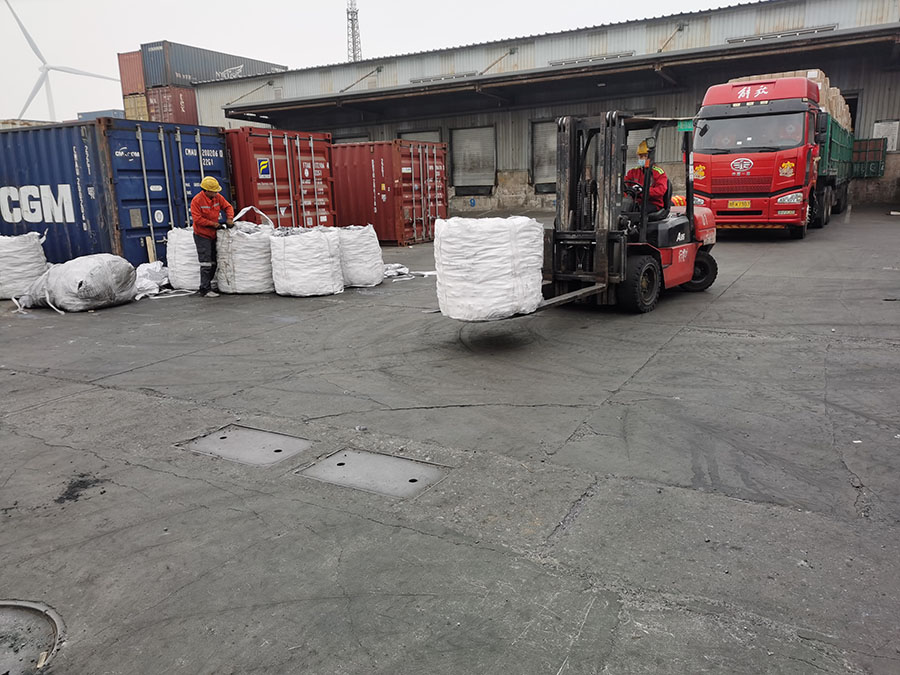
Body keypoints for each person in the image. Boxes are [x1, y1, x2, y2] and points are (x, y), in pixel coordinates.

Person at [190, 176, 234, 297]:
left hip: (214, 235)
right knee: (206, 262)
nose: (216, 193)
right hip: (202, 235)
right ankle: (204, 289)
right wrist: (214, 224)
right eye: (214, 191)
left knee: (214, 261)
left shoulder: (217, 198)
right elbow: (197, 219)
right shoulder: (197, 201)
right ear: (207, 190)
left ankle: (209, 285)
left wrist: (229, 219)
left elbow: (228, 207)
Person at [622, 140, 668, 218]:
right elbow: (625, 184)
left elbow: (661, 190)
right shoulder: (633, 172)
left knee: (636, 210)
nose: (642, 158)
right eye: (640, 156)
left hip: (653, 203)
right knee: (622, 208)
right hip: (637, 202)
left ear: (651, 157)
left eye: (645, 156)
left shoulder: (658, 172)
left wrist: (644, 190)